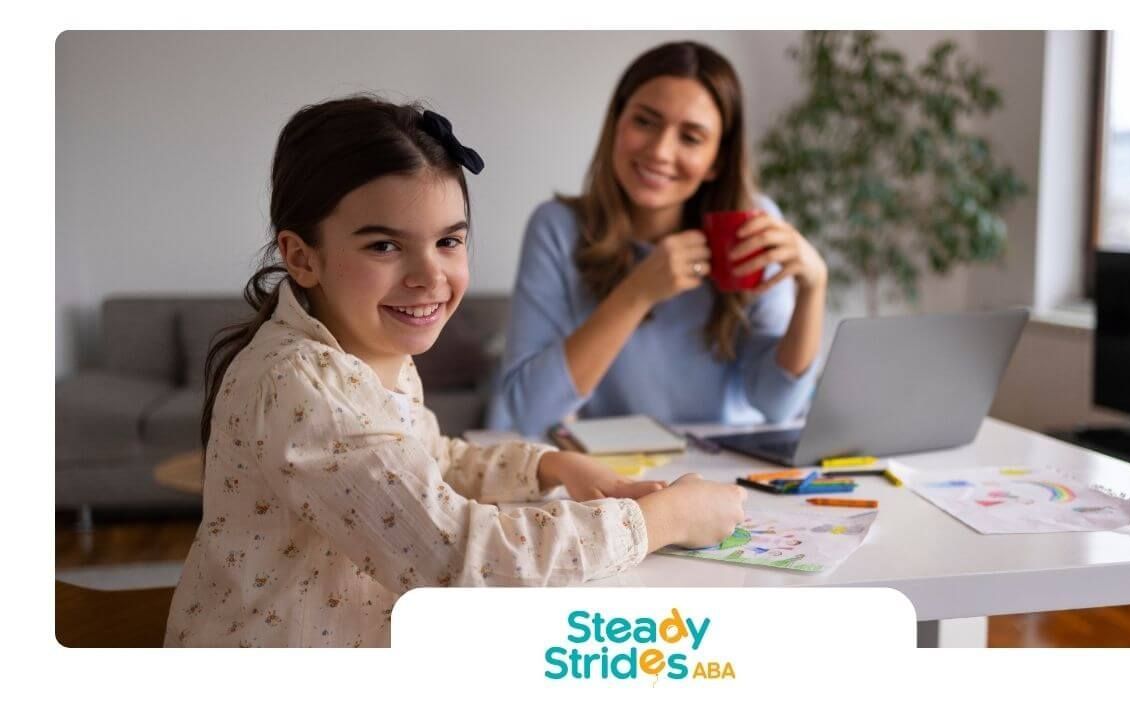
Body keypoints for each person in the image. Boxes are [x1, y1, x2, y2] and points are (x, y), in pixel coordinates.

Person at [164, 95, 745, 648]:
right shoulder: (300, 381)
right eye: (385, 247)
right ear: (301, 256)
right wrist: (658, 520)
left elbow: (427, 461)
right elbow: (454, 559)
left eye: (448, 241)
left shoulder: (365, 355)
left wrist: (547, 464)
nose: (429, 275)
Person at [487, 41, 828, 439]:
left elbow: (779, 406)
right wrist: (638, 292)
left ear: (717, 159)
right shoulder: (557, 228)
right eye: (645, 122)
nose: (660, 151)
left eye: (691, 137)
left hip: (726, 471)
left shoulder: (752, 228)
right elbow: (532, 412)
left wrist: (813, 287)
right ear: (616, 123)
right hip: (618, 477)